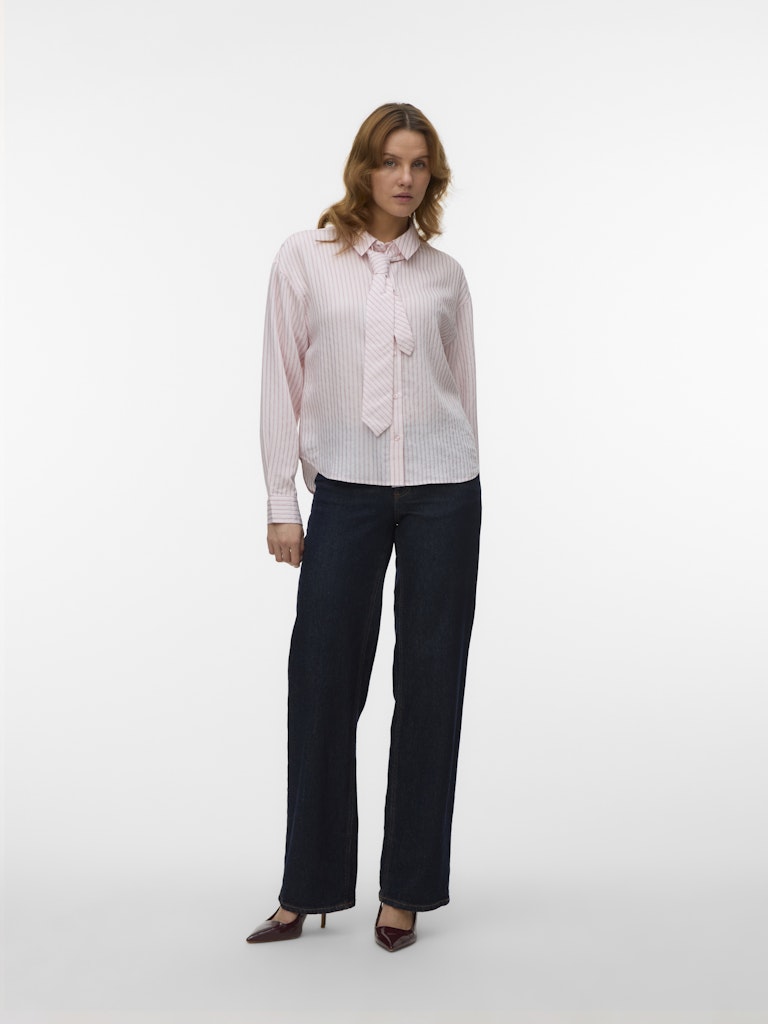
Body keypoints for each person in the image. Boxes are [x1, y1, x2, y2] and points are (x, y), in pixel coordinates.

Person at [246, 102, 481, 952]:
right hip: (344, 489)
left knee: (430, 688)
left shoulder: (445, 275)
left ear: (432, 176)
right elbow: (281, 377)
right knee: (320, 682)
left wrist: (466, 475)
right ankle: (304, 888)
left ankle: (406, 891)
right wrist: (282, 500)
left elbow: (462, 389)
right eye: (390, 161)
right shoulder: (305, 259)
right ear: (363, 169)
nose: (404, 178)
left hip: (444, 491)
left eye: (419, 164)